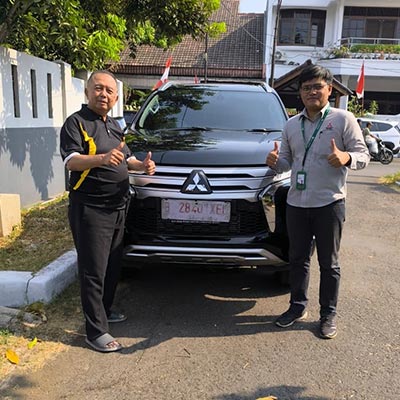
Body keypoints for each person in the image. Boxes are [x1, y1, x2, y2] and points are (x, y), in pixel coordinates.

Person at [266, 64, 370, 339]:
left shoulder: (343, 119)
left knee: (329, 263)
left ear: (329, 89)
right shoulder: (291, 124)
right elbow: (286, 163)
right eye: (306, 88)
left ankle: (328, 315)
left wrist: (346, 157)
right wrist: (274, 162)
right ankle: (297, 307)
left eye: (317, 87)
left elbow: (363, 155)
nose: (311, 92)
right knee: (297, 259)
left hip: (329, 203)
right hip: (297, 203)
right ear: (300, 93)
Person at [60, 70, 156, 352]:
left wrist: (142, 166)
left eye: (109, 91)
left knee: (113, 265)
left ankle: (105, 310)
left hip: (118, 206)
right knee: (93, 270)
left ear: (115, 97)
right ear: (87, 92)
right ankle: (95, 331)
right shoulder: (76, 123)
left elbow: (125, 159)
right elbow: (71, 161)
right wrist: (101, 158)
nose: (104, 94)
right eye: (98, 88)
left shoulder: (114, 125)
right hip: (91, 207)